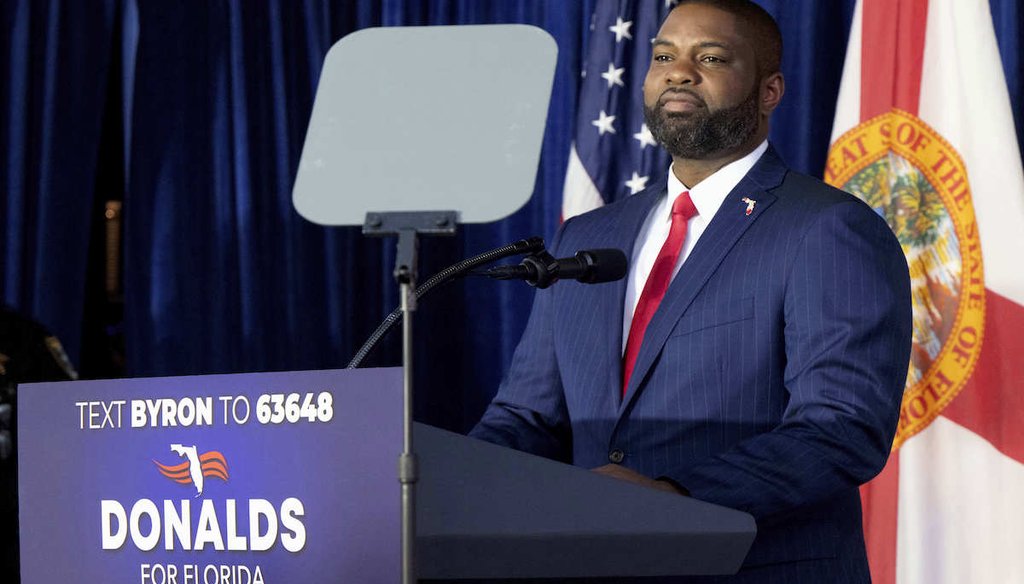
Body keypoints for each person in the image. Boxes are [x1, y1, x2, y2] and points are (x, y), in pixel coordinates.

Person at [470, 0, 913, 582]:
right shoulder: (589, 235)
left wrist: (670, 496)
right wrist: (452, 482)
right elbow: (528, 416)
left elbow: (841, 428)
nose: (678, 72)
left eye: (710, 57)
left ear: (770, 90)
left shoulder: (827, 228)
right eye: (663, 56)